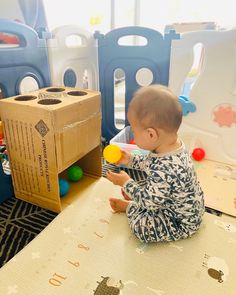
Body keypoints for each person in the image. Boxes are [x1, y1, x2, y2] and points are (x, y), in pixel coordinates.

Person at [106, 84, 205, 243]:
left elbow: (149, 202)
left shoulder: (167, 167)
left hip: (181, 222)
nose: (134, 135)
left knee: (142, 229)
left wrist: (126, 183)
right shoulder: (172, 146)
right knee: (149, 190)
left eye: (135, 131)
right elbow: (150, 163)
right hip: (179, 205)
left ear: (151, 134)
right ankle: (132, 206)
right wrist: (129, 159)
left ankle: (130, 208)